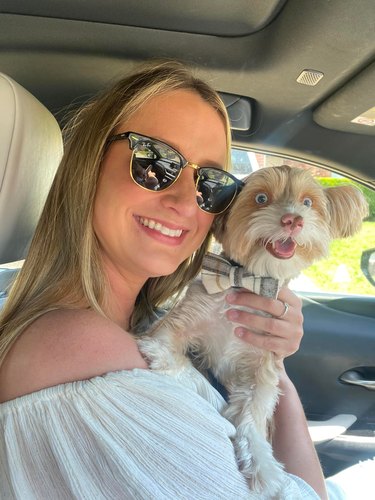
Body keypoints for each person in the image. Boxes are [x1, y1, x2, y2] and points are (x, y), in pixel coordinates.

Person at [0, 60, 328, 499]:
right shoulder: (78, 351)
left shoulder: (133, 323)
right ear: (88, 165)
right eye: (155, 162)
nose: (185, 201)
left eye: (210, 182)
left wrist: (272, 362)